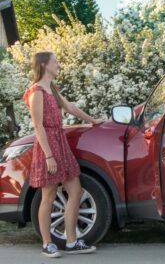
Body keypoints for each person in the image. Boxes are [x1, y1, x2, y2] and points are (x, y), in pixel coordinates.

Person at [23, 51, 103, 258]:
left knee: (75, 191)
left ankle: (71, 242)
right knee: (48, 196)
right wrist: (49, 156)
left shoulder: (52, 89)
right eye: (55, 62)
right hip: (48, 147)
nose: (58, 65)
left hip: (61, 143)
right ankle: (47, 244)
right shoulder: (36, 92)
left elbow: (70, 108)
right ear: (44, 65)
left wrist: (92, 120)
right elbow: (38, 126)